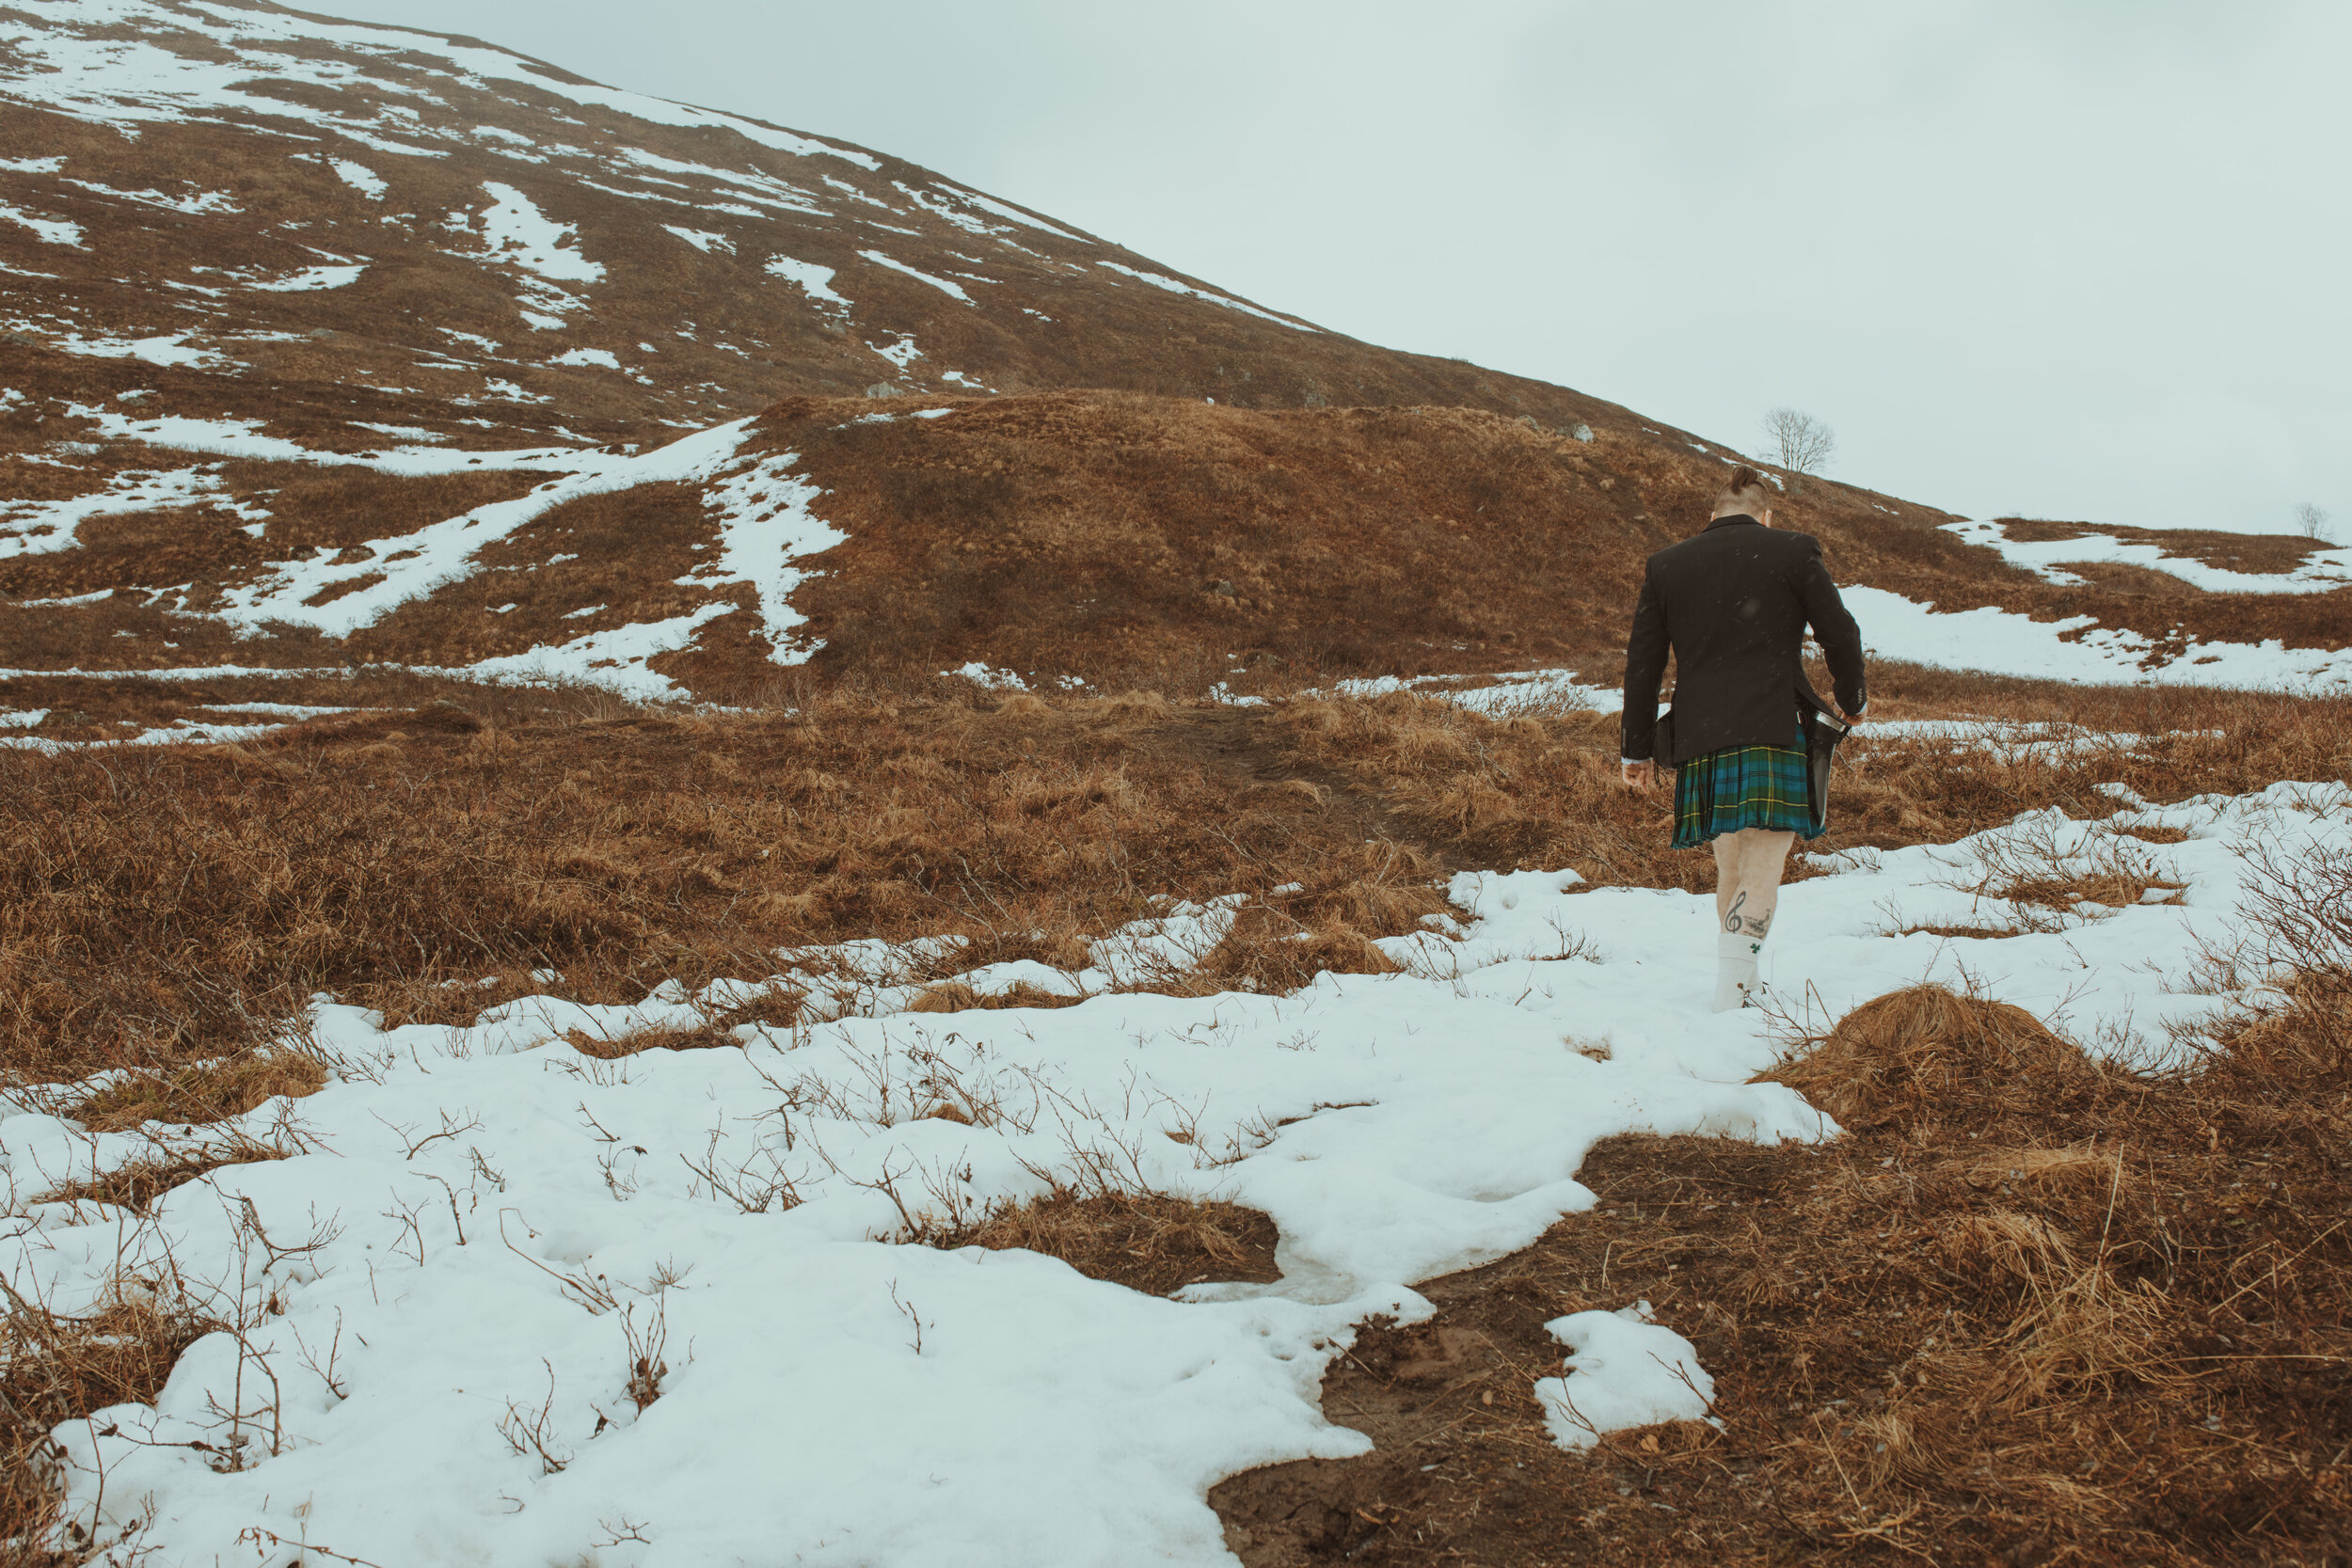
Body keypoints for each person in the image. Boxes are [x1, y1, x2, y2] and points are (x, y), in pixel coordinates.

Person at [1618, 466, 1867, 1011]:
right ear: (1766, 514)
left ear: (1711, 517)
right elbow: (1840, 633)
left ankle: (1741, 984)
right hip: (1773, 727)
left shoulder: (1667, 566)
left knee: (1729, 866)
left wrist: (1636, 749)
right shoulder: (1792, 550)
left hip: (1701, 737)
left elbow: (1643, 664)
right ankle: (1731, 994)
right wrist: (1852, 696)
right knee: (1762, 864)